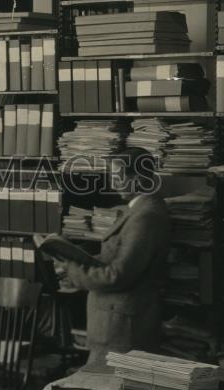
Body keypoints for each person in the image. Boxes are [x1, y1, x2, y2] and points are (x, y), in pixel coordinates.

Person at [36, 148, 171, 370]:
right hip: (116, 322)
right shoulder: (139, 210)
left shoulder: (145, 217)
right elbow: (115, 257)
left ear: (137, 179)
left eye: (118, 176)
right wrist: (74, 255)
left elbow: (116, 275)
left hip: (123, 328)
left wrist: (72, 271)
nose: (112, 182)